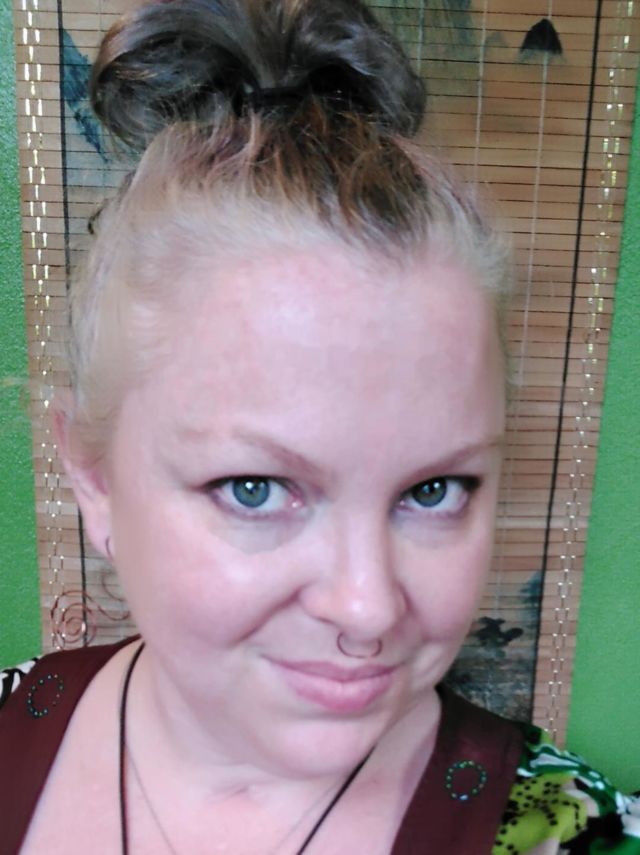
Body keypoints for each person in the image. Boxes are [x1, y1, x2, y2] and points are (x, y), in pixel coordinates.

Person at [1, 1, 638, 852]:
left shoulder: (573, 832)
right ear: (94, 477)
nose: (367, 607)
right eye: (255, 489)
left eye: (434, 490)